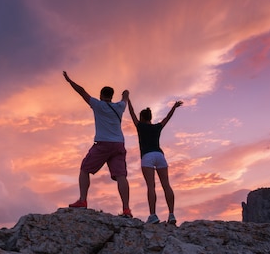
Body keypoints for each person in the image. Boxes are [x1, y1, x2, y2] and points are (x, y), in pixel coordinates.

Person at [63, 71, 133, 218]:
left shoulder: (97, 105)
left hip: (103, 144)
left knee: (84, 168)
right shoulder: (119, 107)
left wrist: (70, 81)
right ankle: (126, 209)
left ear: (101, 95)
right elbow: (125, 97)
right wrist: (126, 93)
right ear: (111, 96)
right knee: (121, 176)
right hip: (119, 144)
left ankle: (82, 200)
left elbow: (82, 92)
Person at [127, 96, 183, 224]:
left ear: (142, 118)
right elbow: (167, 119)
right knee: (166, 185)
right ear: (150, 118)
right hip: (159, 155)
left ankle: (153, 215)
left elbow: (131, 113)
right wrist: (174, 107)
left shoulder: (140, 126)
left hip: (147, 156)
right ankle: (172, 215)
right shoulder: (157, 127)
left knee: (151, 186)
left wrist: (128, 100)